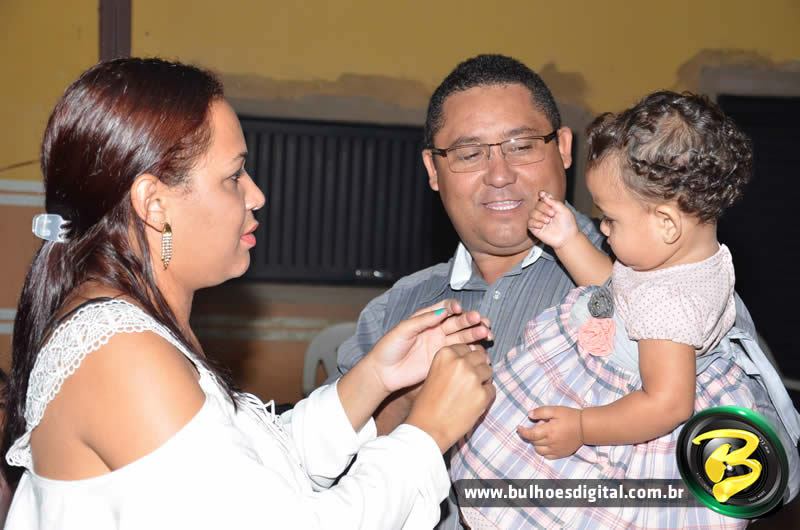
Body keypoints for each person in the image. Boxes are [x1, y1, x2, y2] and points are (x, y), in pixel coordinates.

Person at [0, 57, 498, 530]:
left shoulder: (128, 327)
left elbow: (250, 477)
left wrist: (375, 377)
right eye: (234, 176)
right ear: (154, 204)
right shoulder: (122, 355)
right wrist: (427, 432)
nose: (256, 195)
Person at [450, 91, 800, 529]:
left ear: (666, 223)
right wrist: (569, 241)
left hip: (629, 413)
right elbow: (618, 292)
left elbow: (666, 404)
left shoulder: (672, 304)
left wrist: (582, 427)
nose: (602, 227)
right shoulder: (678, 260)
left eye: (611, 219)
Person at [335, 54, 607, 528]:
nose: (499, 174)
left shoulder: (649, 276)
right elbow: (327, 477)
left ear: (564, 147)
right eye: (469, 154)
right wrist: (405, 400)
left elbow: (741, 466)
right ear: (433, 169)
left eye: (522, 146)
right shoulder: (397, 313)